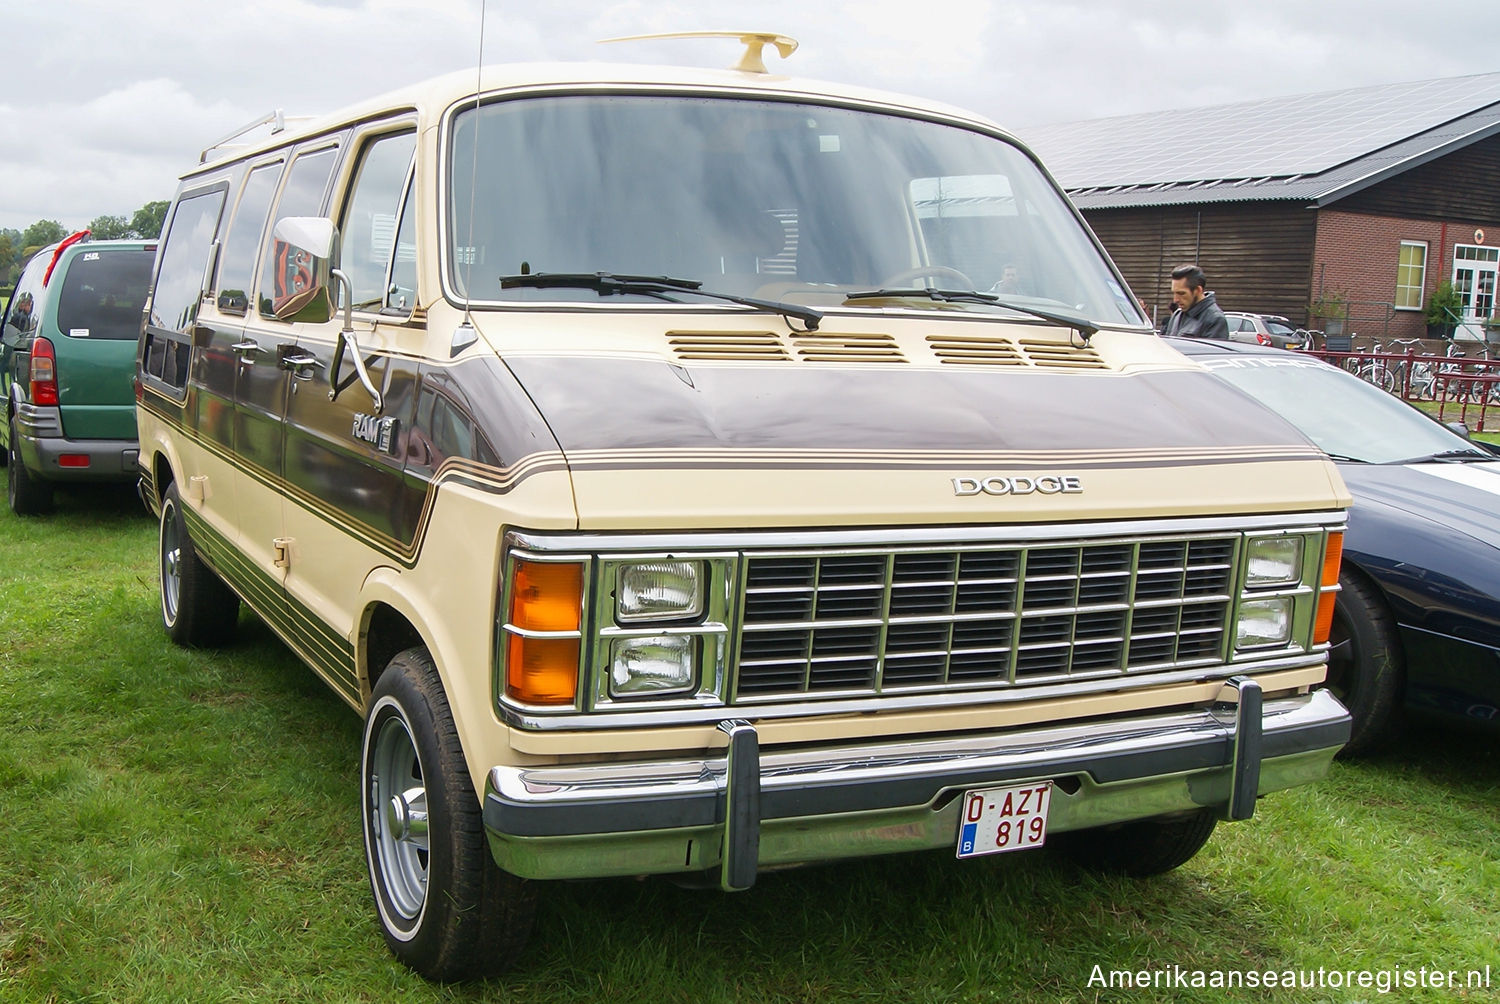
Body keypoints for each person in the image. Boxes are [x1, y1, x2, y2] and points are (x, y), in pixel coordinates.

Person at [1161, 264, 1228, 339]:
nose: (1175, 300)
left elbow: (1212, 350)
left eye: (1181, 293)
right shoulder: (1177, 315)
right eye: (1174, 293)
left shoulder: (1215, 319)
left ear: (1198, 290)